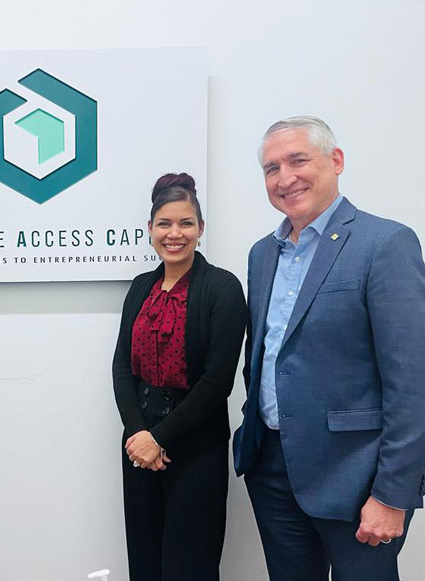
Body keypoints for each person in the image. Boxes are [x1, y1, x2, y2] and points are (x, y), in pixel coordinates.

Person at [233, 116, 425, 580]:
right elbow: (265, 357)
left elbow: (412, 379)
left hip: (357, 478)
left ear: (335, 161)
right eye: (271, 168)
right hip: (273, 468)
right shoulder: (263, 254)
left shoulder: (385, 243)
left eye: (298, 160)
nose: (285, 178)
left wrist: (393, 494)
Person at [112, 173, 246, 581]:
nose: (175, 233)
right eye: (164, 223)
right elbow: (121, 367)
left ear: (201, 229)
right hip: (138, 445)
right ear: (150, 229)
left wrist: (160, 438)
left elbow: (217, 381)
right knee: (145, 561)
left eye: (186, 223)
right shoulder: (140, 287)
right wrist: (139, 434)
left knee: (191, 565)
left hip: (195, 446)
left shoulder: (222, 288)